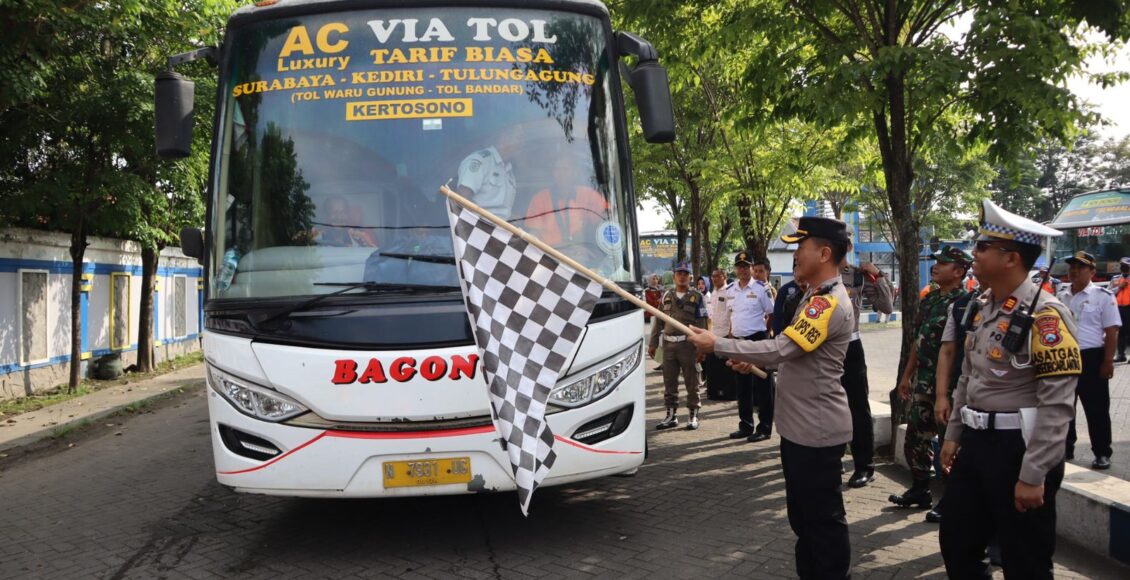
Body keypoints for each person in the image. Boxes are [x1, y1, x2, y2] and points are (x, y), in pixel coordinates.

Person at [688, 216, 855, 580]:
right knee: (804, 521)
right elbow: (798, 356)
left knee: (822, 523)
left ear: (824, 253)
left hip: (816, 432)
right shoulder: (814, 295)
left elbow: (782, 347)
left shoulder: (827, 302)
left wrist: (717, 344)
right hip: (800, 430)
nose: (795, 255)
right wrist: (755, 363)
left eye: (801, 247)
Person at [939, 199, 1081, 579]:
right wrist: (954, 434)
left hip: (1018, 449)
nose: (974, 252)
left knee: (1025, 560)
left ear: (1011, 258)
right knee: (957, 543)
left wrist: (1033, 473)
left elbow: (1057, 405)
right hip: (976, 444)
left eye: (983, 246)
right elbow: (968, 377)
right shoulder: (982, 306)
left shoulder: (1046, 316)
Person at [891, 246, 973, 515]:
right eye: (936, 261)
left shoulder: (965, 304)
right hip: (923, 382)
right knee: (916, 436)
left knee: (948, 440)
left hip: (947, 387)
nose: (936, 266)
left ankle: (950, 500)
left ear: (958, 271)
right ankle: (920, 489)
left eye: (943, 263)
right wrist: (906, 376)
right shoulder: (930, 299)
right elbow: (919, 340)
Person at [1058, 251, 1118, 470]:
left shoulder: (1103, 296)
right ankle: (1066, 448)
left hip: (1091, 357)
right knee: (1064, 406)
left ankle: (1102, 452)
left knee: (1097, 408)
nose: (1074, 271)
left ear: (1092, 272)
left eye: (1080, 267)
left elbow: (1112, 332)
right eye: (1071, 267)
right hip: (1065, 357)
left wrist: (1108, 361)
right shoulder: (1061, 296)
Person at [840, 259, 894, 488]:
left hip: (850, 346)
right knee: (826, 405)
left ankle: (864, 466)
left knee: (858, 408)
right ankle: (832, 458)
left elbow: (886, 306)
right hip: (821, 348)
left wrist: (878, 274)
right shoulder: (815, 274)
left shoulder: (857, 275)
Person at [648, 261, 708, 430]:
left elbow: (702, 323)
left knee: (692, 383)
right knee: (669, 383)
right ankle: (671, 415)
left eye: (685, 274)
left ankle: (693, 415)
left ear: (690, 277)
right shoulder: (666, 295)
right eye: (679, 273)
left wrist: (701, 348)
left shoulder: (697, 297)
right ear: (674, 276)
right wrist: (653, 343)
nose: (682, 277)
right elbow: (658, 321)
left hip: (688, 346)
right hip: (669, 346)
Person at [726, 250, 777, 443]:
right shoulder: (731, 289)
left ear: (751, 268)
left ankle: (764, 428)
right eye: (739, 267)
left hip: (757, 339)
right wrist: (731, 336)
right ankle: (745, 425)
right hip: (738, 341)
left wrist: (767, 335)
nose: (743, 270)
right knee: (742, 386)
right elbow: (732, 316)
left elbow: (771, 313)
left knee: (763, 385)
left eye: (746, 266)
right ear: (736, 269)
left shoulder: (761, 288)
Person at [523, 154, 609, 248]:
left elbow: (607, 220)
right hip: (548, 253)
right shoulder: (540, 198)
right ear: (552, 173)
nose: (561, 174)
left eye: (566, 169)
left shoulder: (589, 195)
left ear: (575, 173)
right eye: (557, 169)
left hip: (580, 253)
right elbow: (533, 234)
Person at [456, 125, 522, 220]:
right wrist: (480, 224)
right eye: (519, 138)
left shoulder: (509, 171)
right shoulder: (480, 161)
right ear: (505, 138)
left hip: (501, 228)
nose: (522, 144)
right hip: (479, 227)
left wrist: (511, 218)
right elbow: (461, 199)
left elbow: (498, 212)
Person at [705, 268, 736, 400]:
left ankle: (728, 394)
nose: (715, 278)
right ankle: (714, 392)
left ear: (724, 277)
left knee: (726, 367)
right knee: (714, 366)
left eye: (718, 276)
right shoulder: (712, 293)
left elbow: (733, 313)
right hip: (713, 333)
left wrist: (731, 332)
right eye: (713, 276)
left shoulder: (730, 291)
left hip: (725, 333)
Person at [1108, 257, 1130, 362]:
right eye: (1121, 265)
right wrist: (1119, 287)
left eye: (1125, 265)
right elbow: (1108, 292)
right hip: (1118, 308)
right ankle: (1121, 355)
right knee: (1120, 332)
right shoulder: (1115, 278)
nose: (1122, 267)